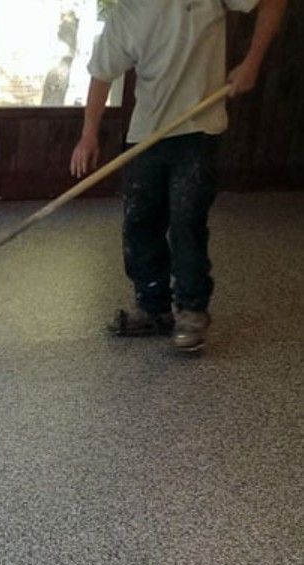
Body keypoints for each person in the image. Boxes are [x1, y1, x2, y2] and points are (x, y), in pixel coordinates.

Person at [70, 0, 287, 351]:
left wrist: (252, 63)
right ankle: (153, 307)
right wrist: (88, 134)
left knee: (186, 220)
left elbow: (273, 3)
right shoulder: (125, 13)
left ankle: (191, 311)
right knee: (140, 223)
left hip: (198, 128)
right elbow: (101, 73)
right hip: (147, 133)